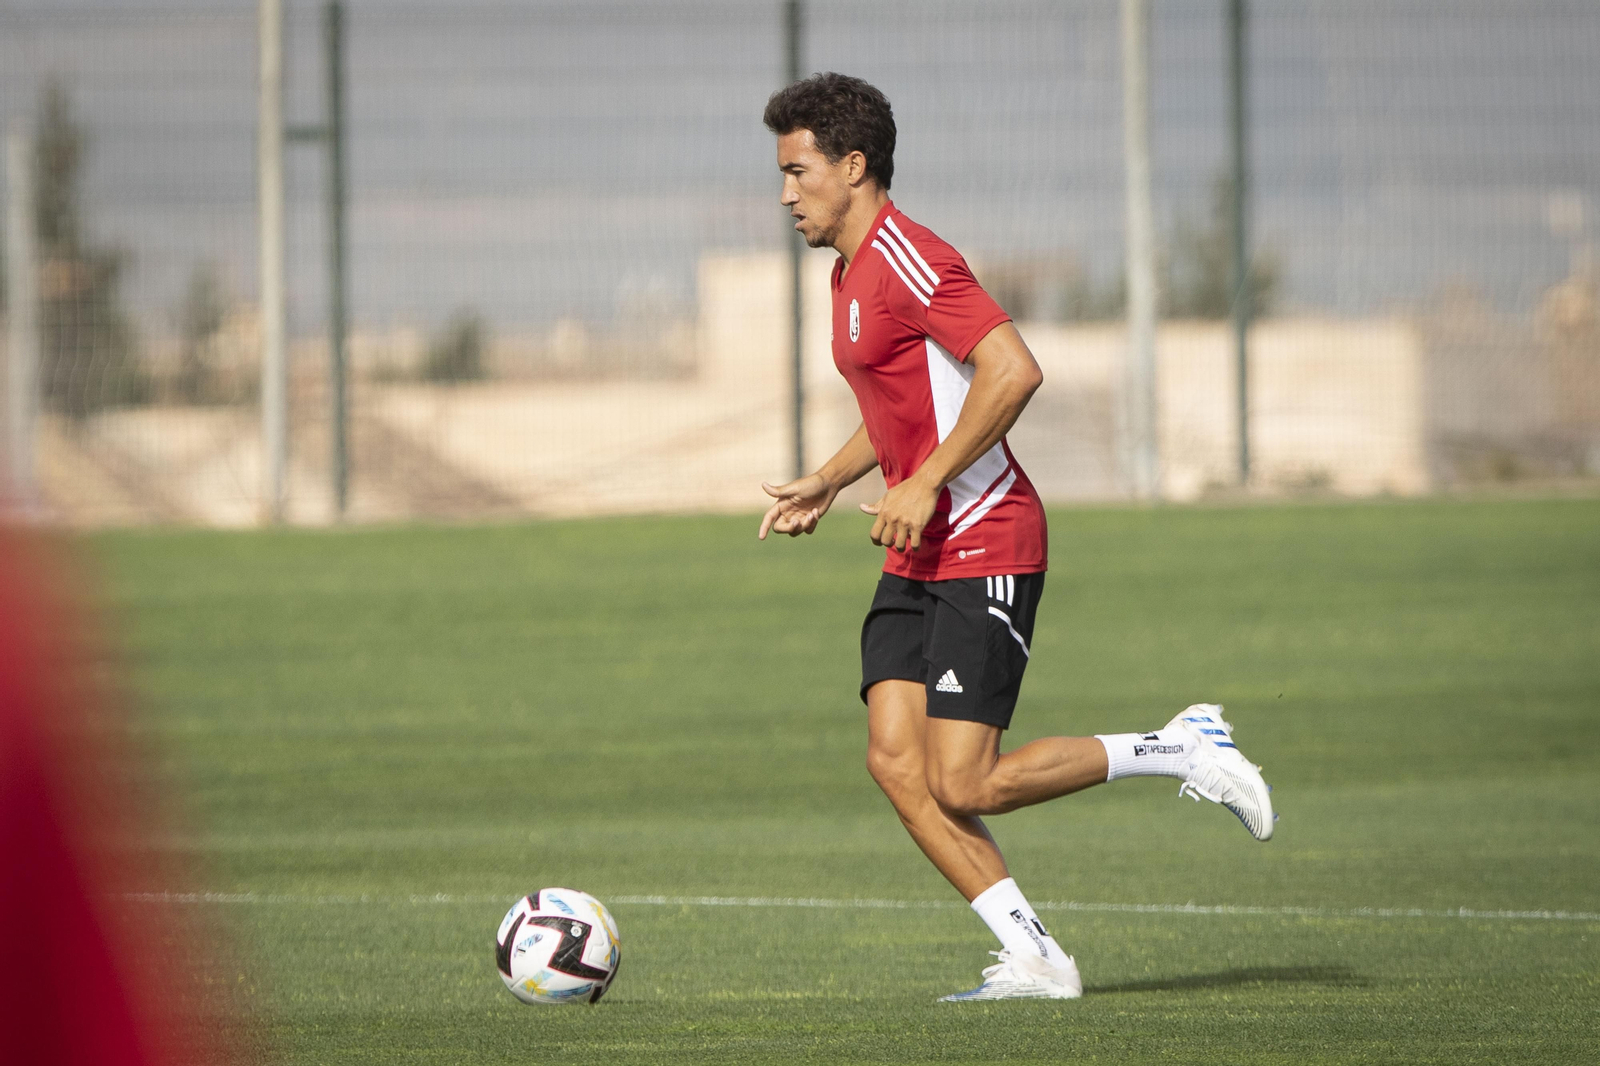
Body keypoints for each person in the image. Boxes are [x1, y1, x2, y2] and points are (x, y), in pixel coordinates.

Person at [757, 73, 1275, 1001]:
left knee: (966, 782)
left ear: (854, 166)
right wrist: (831, 480)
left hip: (984, 534)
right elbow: (904, 407)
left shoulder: (910, 257)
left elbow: (1012, 369)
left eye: (799, 172)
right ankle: (1036, 957)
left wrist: (924, 481)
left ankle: (1182, 745)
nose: (787, 194)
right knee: (895, 762)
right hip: (917, 545)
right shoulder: (846, 274)